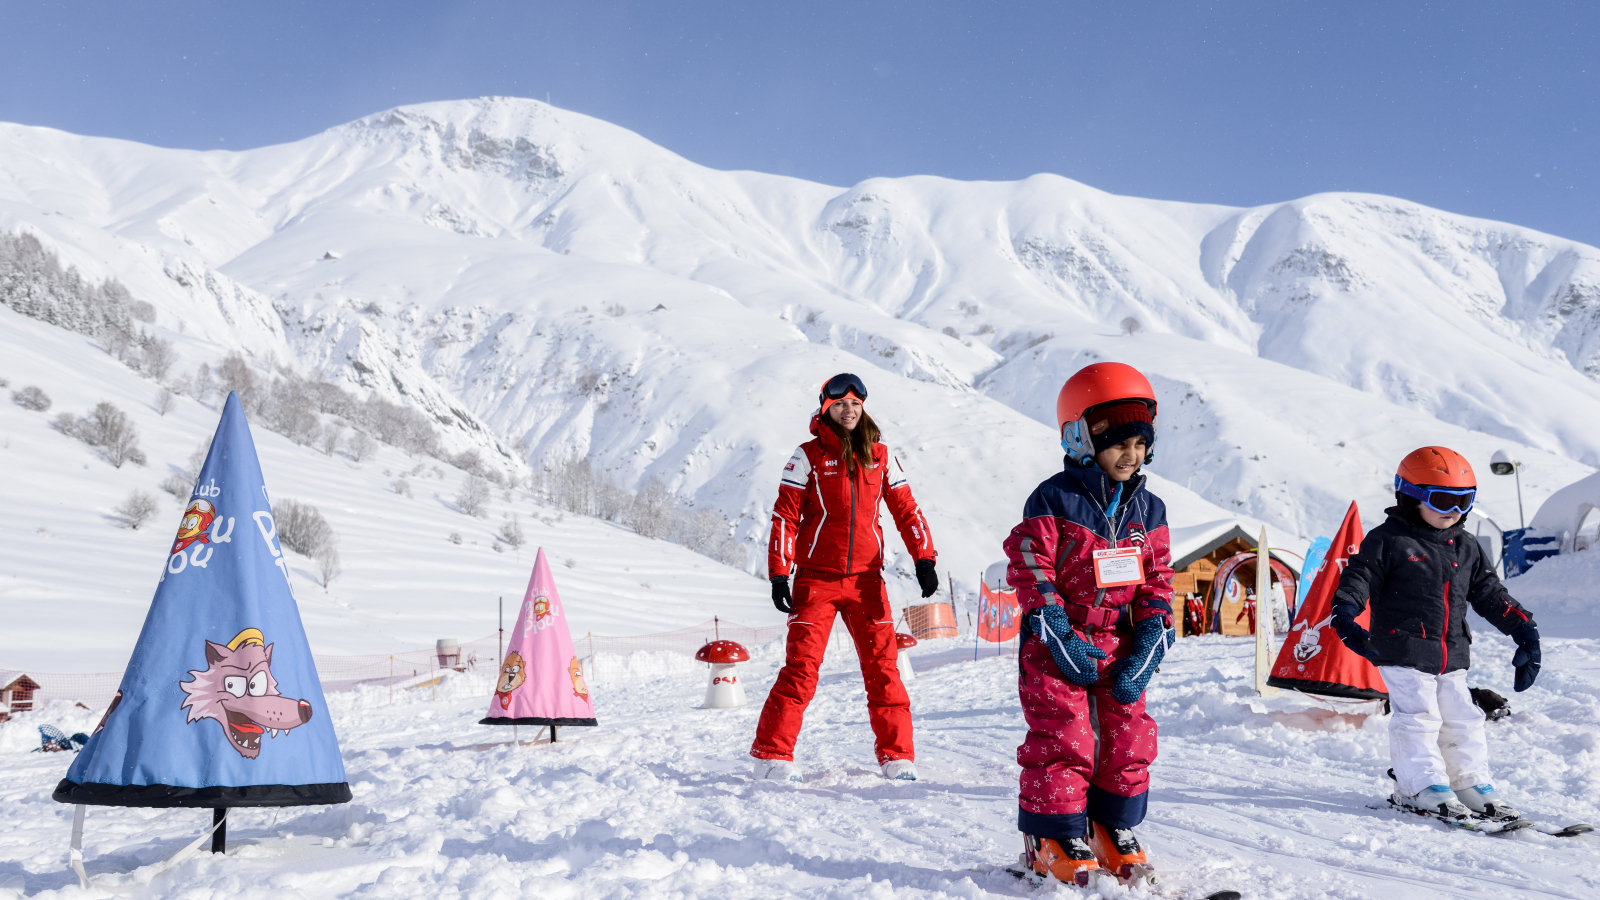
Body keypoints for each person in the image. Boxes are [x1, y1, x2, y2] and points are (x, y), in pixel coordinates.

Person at [1002, 362, 1176, 885]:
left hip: (1119, 640)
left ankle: (1111, 826)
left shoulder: (1150, 508)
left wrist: (1153, 633)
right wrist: (1051, 621)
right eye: (1117, 442)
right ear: (1080, 437)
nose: (1131, 454)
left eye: (1140, 443)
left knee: (1128, 736)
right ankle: (1051, 835)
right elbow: (1031, 564)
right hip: (1059, 639)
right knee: (1066, 734)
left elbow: (1157, 579)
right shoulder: (1054, 499)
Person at [1330, 446, 1539, 821]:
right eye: (1444, 501)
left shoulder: (1466, 545)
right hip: (1403, 648)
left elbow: (1490, 594)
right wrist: (1345, 613)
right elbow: (1358, 577)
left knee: (1463, 716)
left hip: (1451, 653)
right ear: (1410, 496)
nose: (1455, 511)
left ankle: (1468, 784)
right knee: (1419, 716)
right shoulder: (1389, 540)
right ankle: (1420, 786)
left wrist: (1524, 630)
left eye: (1465, 500)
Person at [750, 373, 941, 784]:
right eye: (839, 405)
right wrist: (780, 573)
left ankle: (897, 756)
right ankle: (772, 755)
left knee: (883, 668)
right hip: (815, 581)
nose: (848, 410)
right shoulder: (806, 456)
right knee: (801, 668)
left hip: (867, 582)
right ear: (826, 409)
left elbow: (907, 509)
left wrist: (924, 557)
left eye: (855, 403)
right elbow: (784, 516)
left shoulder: (882, 455)